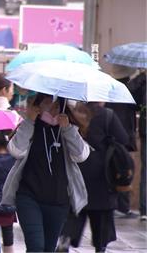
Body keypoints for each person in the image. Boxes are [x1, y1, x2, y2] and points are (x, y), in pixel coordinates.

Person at [0, 93, 90, 252]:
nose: (53, 108)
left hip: (59, 202)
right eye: (48, 103)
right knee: (36, 246)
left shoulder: (68, 129)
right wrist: (29, 121)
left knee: (48, 248)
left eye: (57, 105)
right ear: (39, 104)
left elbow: (81, 155)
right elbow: (15, 150)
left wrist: (68, 129)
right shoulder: (31, 126)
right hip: (29, 197)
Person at [58, 102, 129, 252]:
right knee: (102, 216)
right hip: (102, 176)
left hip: (77, 171)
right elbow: (123, 139)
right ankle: (100, 246)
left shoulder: (71, 113)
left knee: (75, 211)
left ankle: (66, 238)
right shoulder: (107, 115)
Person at [105, 65, 139, 218]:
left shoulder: (109, 88)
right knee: (124, 168)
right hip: (123, 134)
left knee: (112, 168)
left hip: (110, 134)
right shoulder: (129, 89)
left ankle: (115, 203)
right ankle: (123, 206)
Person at [128, 70, 146, 220]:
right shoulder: (142, 81)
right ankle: (144, 209)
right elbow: (131, 95)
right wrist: (142, 76)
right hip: (145, 130)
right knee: (145, 170)